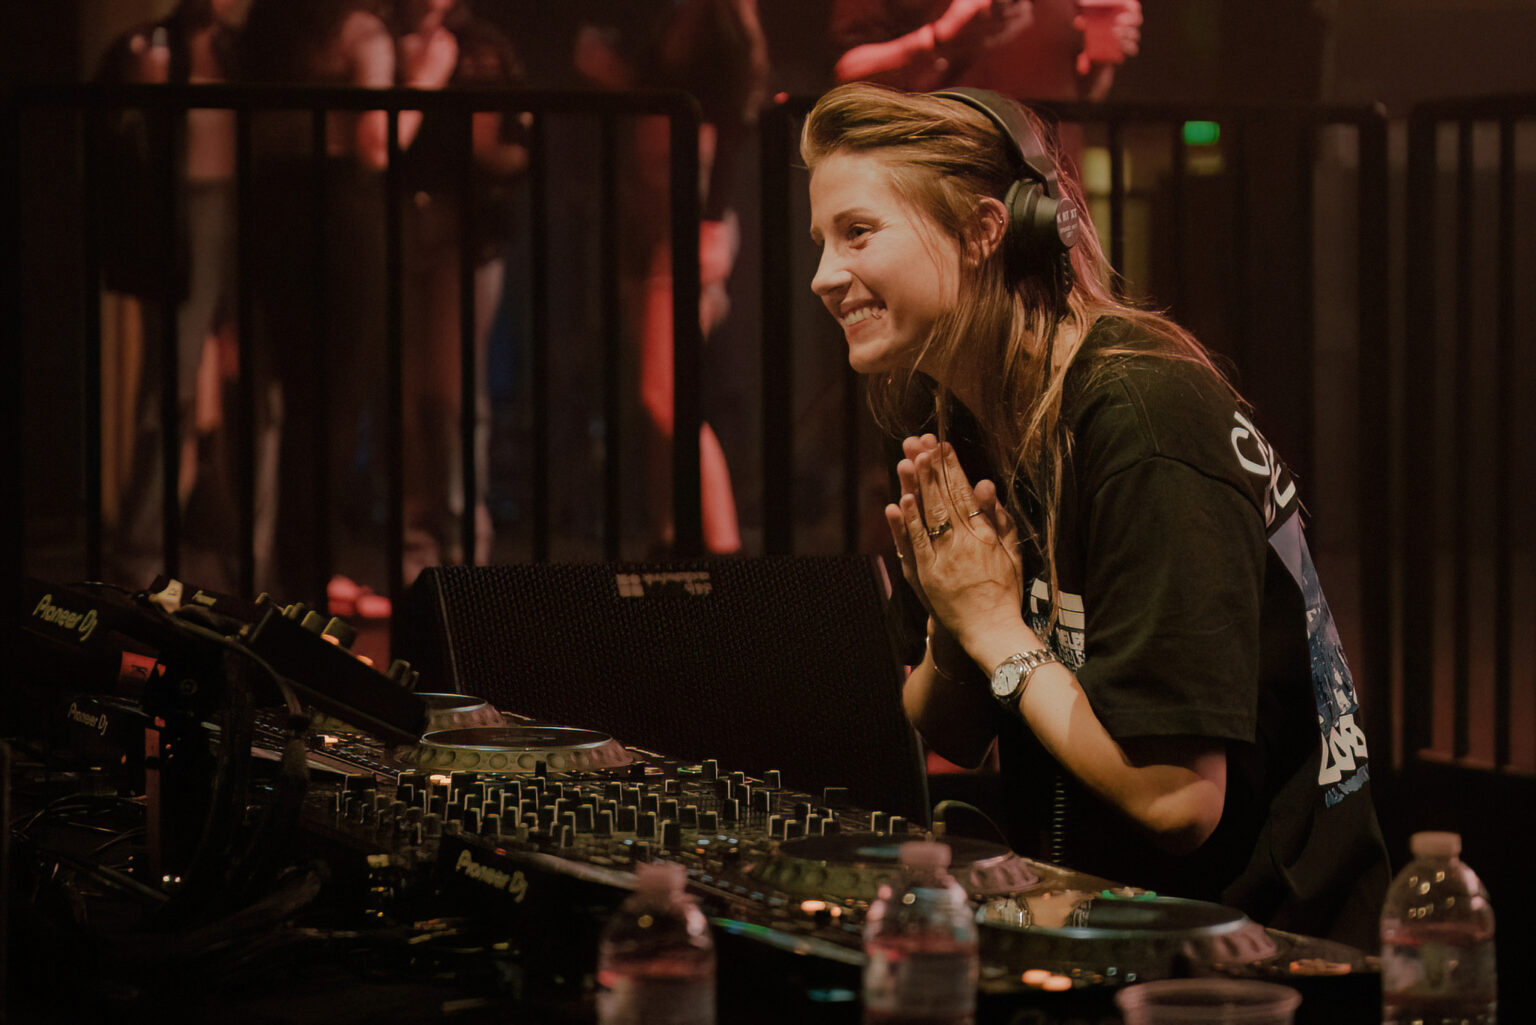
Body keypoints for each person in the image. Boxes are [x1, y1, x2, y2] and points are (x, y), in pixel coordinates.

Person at [802, 82, 1389, 949]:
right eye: (821, 240)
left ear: (985, 231)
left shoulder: (1145, 423)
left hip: (1269, 956)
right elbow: (948, 721)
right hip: (1107, 927)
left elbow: (1178, 801)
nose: (823, 274)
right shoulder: (957, 410)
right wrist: (957, 628)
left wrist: (996, 630)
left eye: (858, 232)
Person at [574, 0, 770, 555]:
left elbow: (723, 128)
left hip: (690, 221)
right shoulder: (674, 20)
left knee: (666, 396)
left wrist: (708, 224)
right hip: (650, 216)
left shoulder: (725, 31)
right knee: (658, 400)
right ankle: (669, 538)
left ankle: (723, 548)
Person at [95, 0, 249, 591]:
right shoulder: (146, 47)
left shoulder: (241, 49)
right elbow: (110, 133)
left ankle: (244, 550)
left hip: (244, 211)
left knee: (249, 388)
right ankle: (138, 551)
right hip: (180, 222)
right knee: (171, 386)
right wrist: (141, 90)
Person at [390, 0, 529, 586]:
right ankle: (417, 546)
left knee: (451, 393)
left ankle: (463, 544)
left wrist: (488, 145)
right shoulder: (381, 37)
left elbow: (514, 152)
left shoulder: (482, 49)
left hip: (466, 232)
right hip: (396, 224)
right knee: (405, 395)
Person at [830, 0, 1142, 103]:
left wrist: (1103, 55)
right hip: (942, 188)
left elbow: (1085, 94)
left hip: (1051, 195)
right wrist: (940, 39)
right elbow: (845, 75)